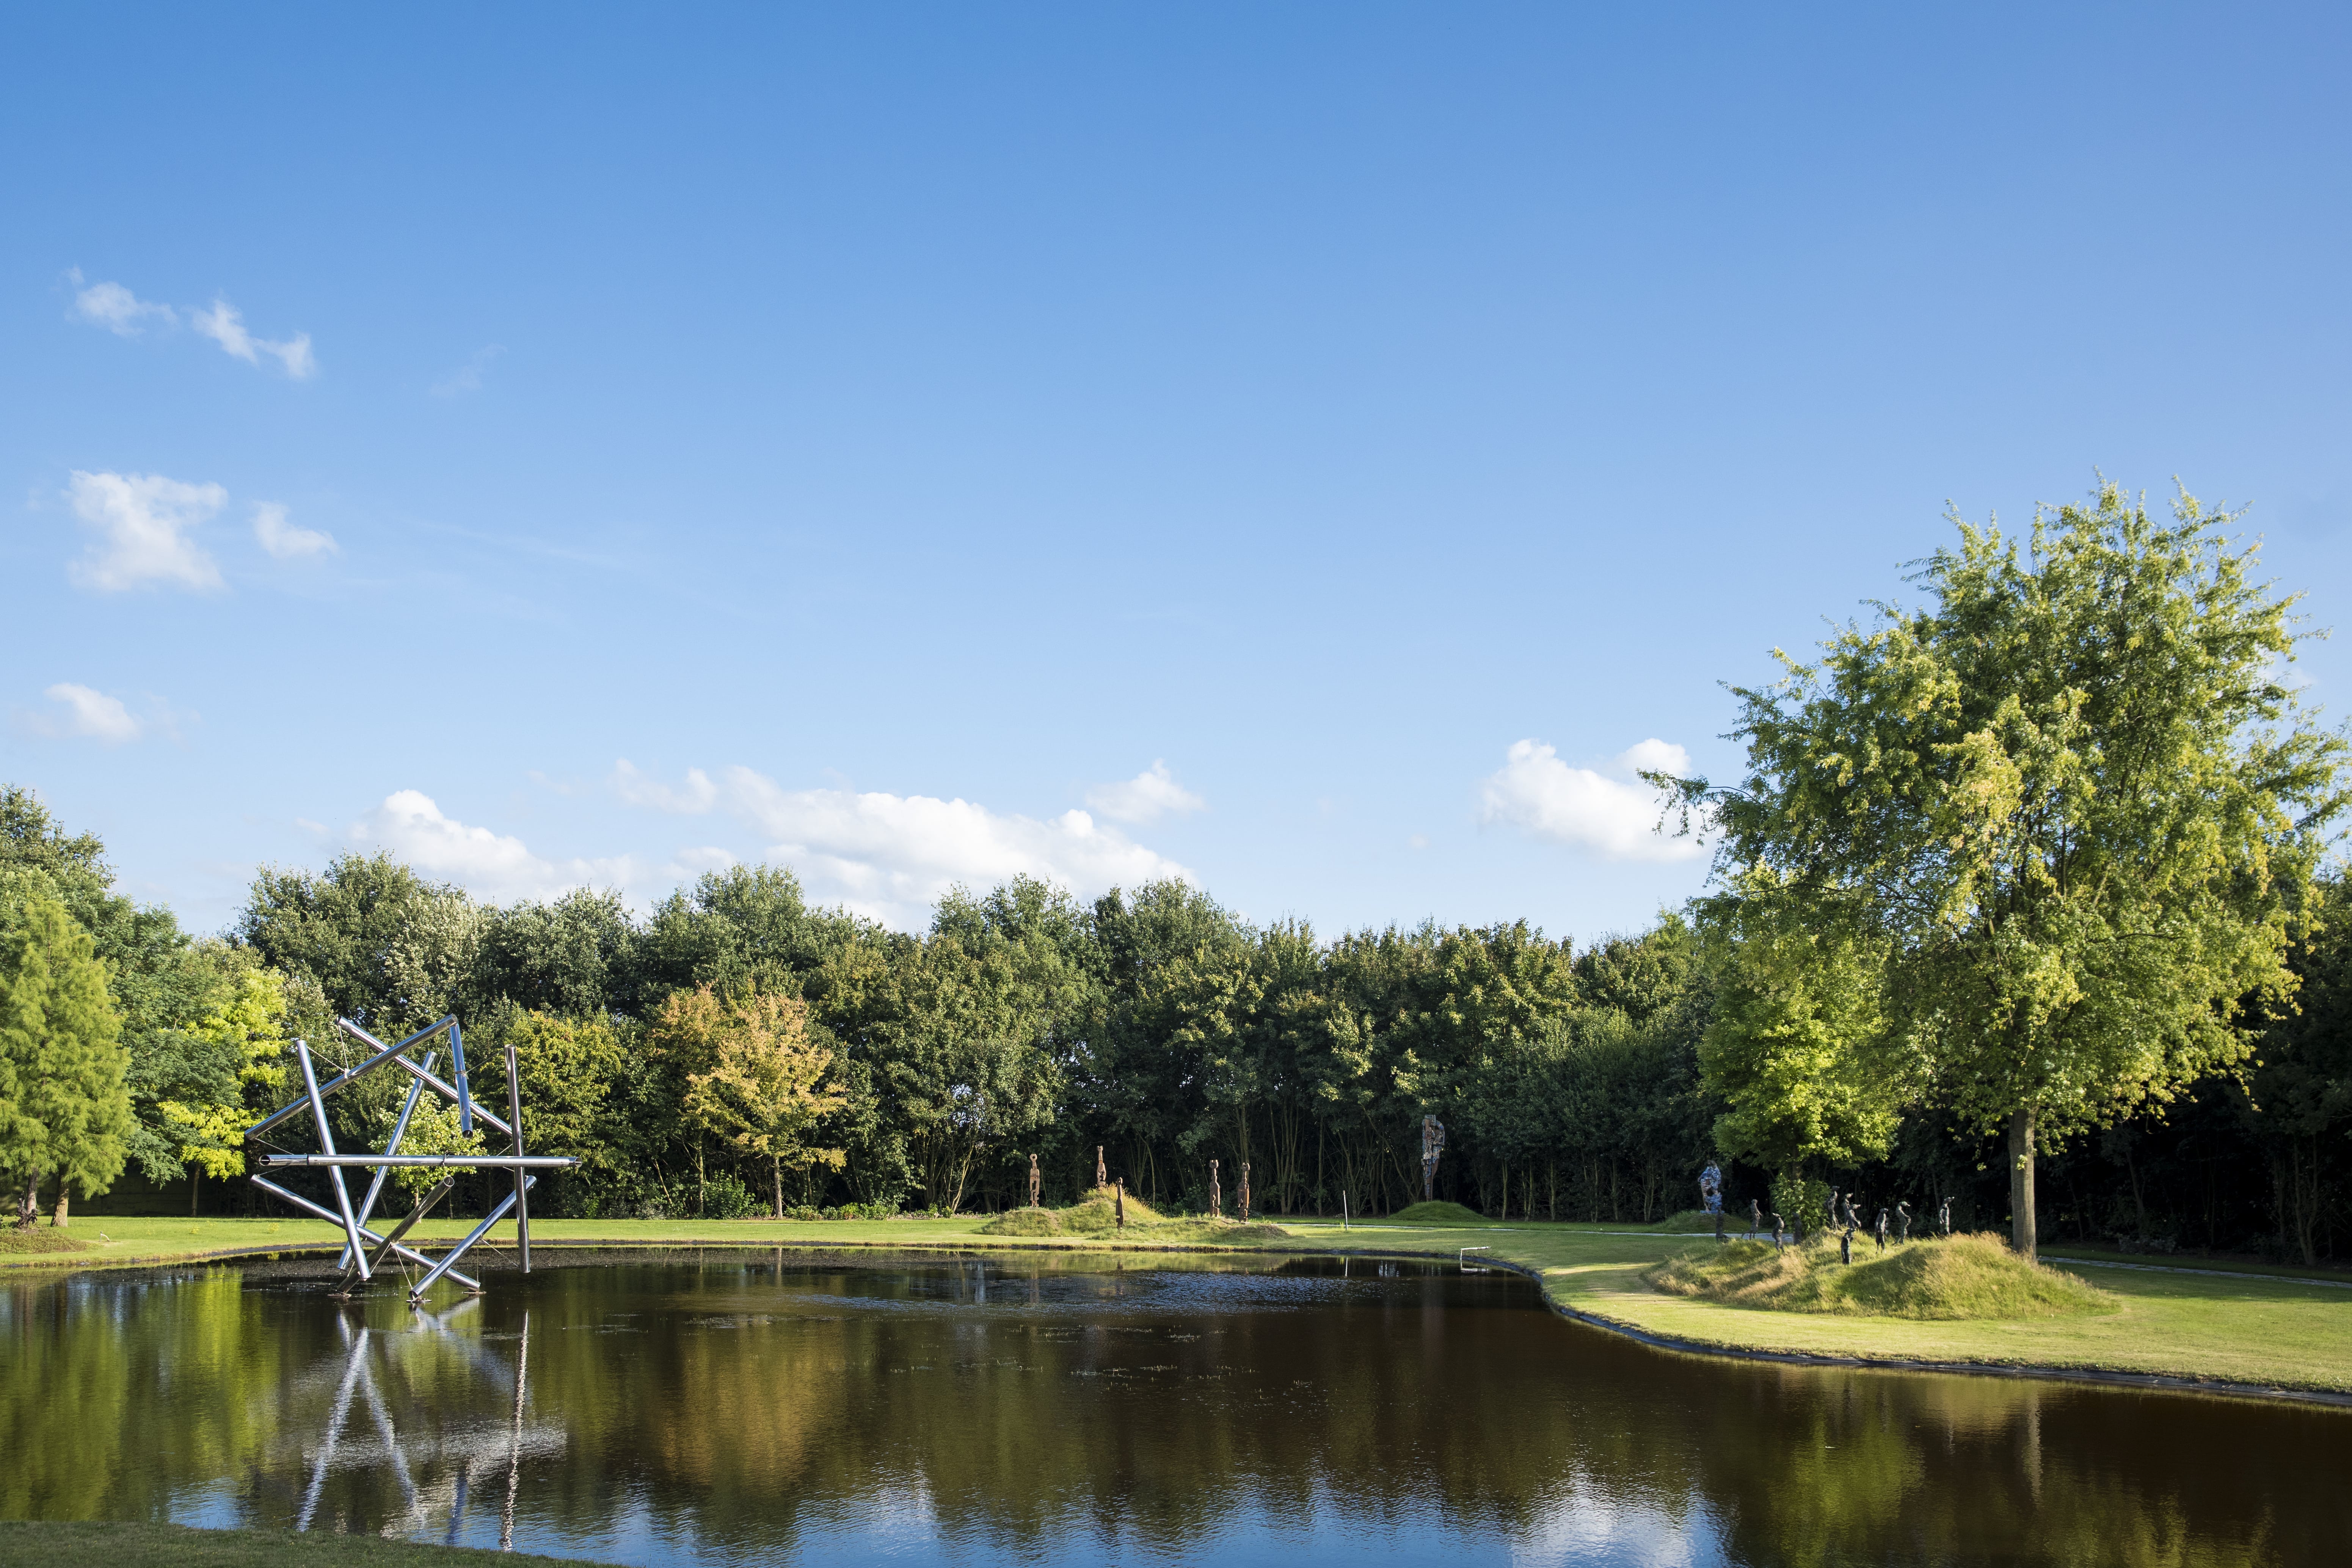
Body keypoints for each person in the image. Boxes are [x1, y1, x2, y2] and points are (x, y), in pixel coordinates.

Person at [1420, 1115, 1447, 1202]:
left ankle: (1429, 1196)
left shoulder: (1433, 1141)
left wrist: (1438, 1138)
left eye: (1430, 1133)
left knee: (1429, 1174)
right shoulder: (1425, 1141)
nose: (1428, 1135)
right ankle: (1428, 1195)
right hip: (1426, 1158)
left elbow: (1438, 1141)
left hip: (1431, 1156)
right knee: (1426, 1173)